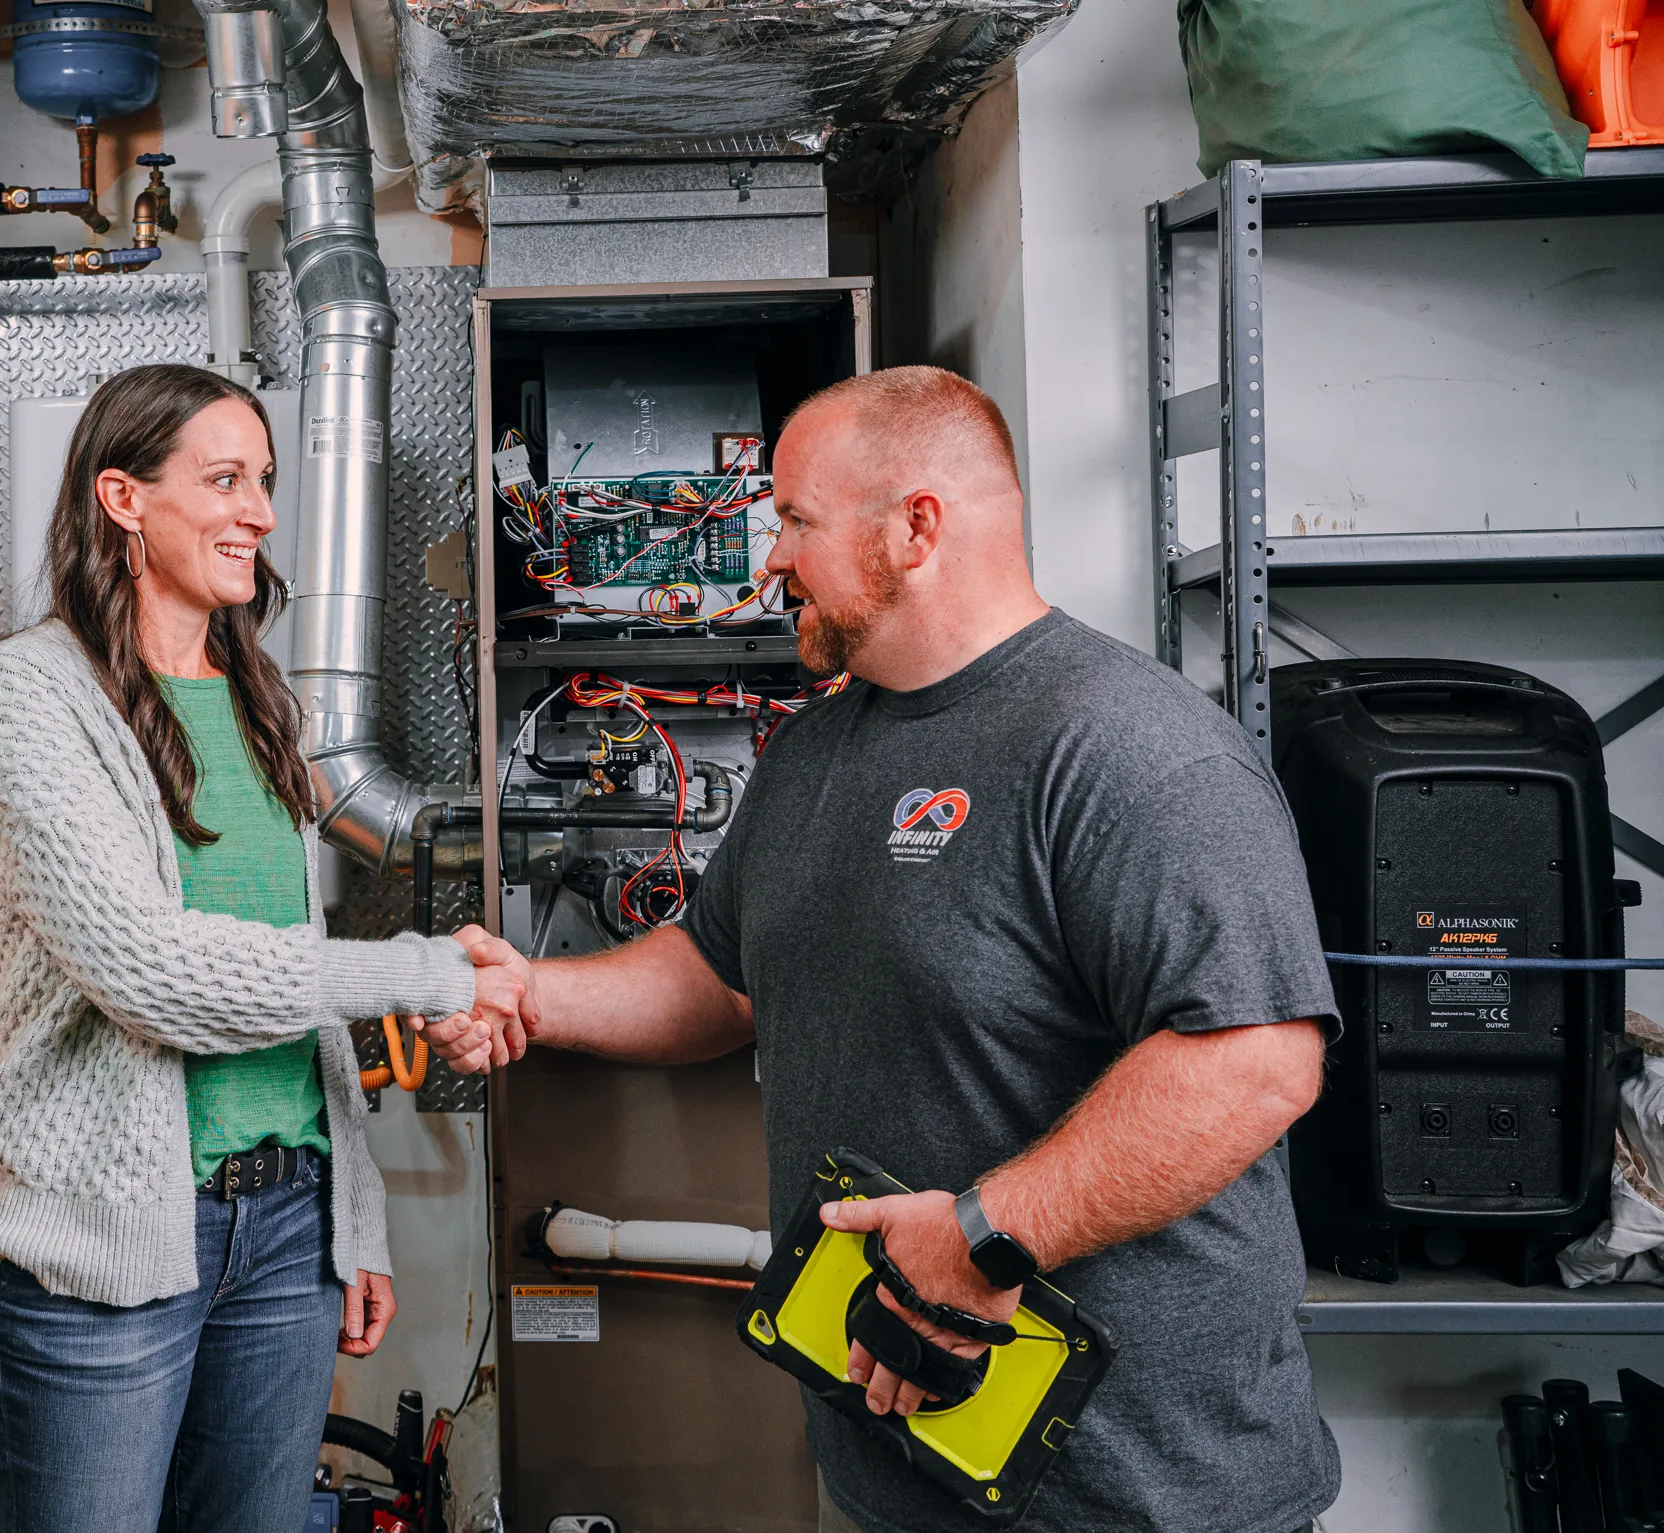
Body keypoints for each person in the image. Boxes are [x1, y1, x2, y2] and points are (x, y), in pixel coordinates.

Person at [433, 367, 1340, 1533]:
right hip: (903, 1462)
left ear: (915, 528)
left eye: (796, 522)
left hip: (1139, 1488)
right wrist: (533, 993)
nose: (767, 558)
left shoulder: (1130, 751)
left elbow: (1255, 1061)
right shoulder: (815, 751)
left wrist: (983, 1237)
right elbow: (719, 974)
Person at [0, 363, 521, 1533]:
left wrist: (350, 1219)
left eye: (262, 480)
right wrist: (429, 973)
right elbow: (154, 976)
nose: (259, 511)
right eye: (223, 479)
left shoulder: (264, 700)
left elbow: (288, 970)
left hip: (286, 1230)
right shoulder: (29, 696)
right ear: (123, 498)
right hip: (100, 1246)